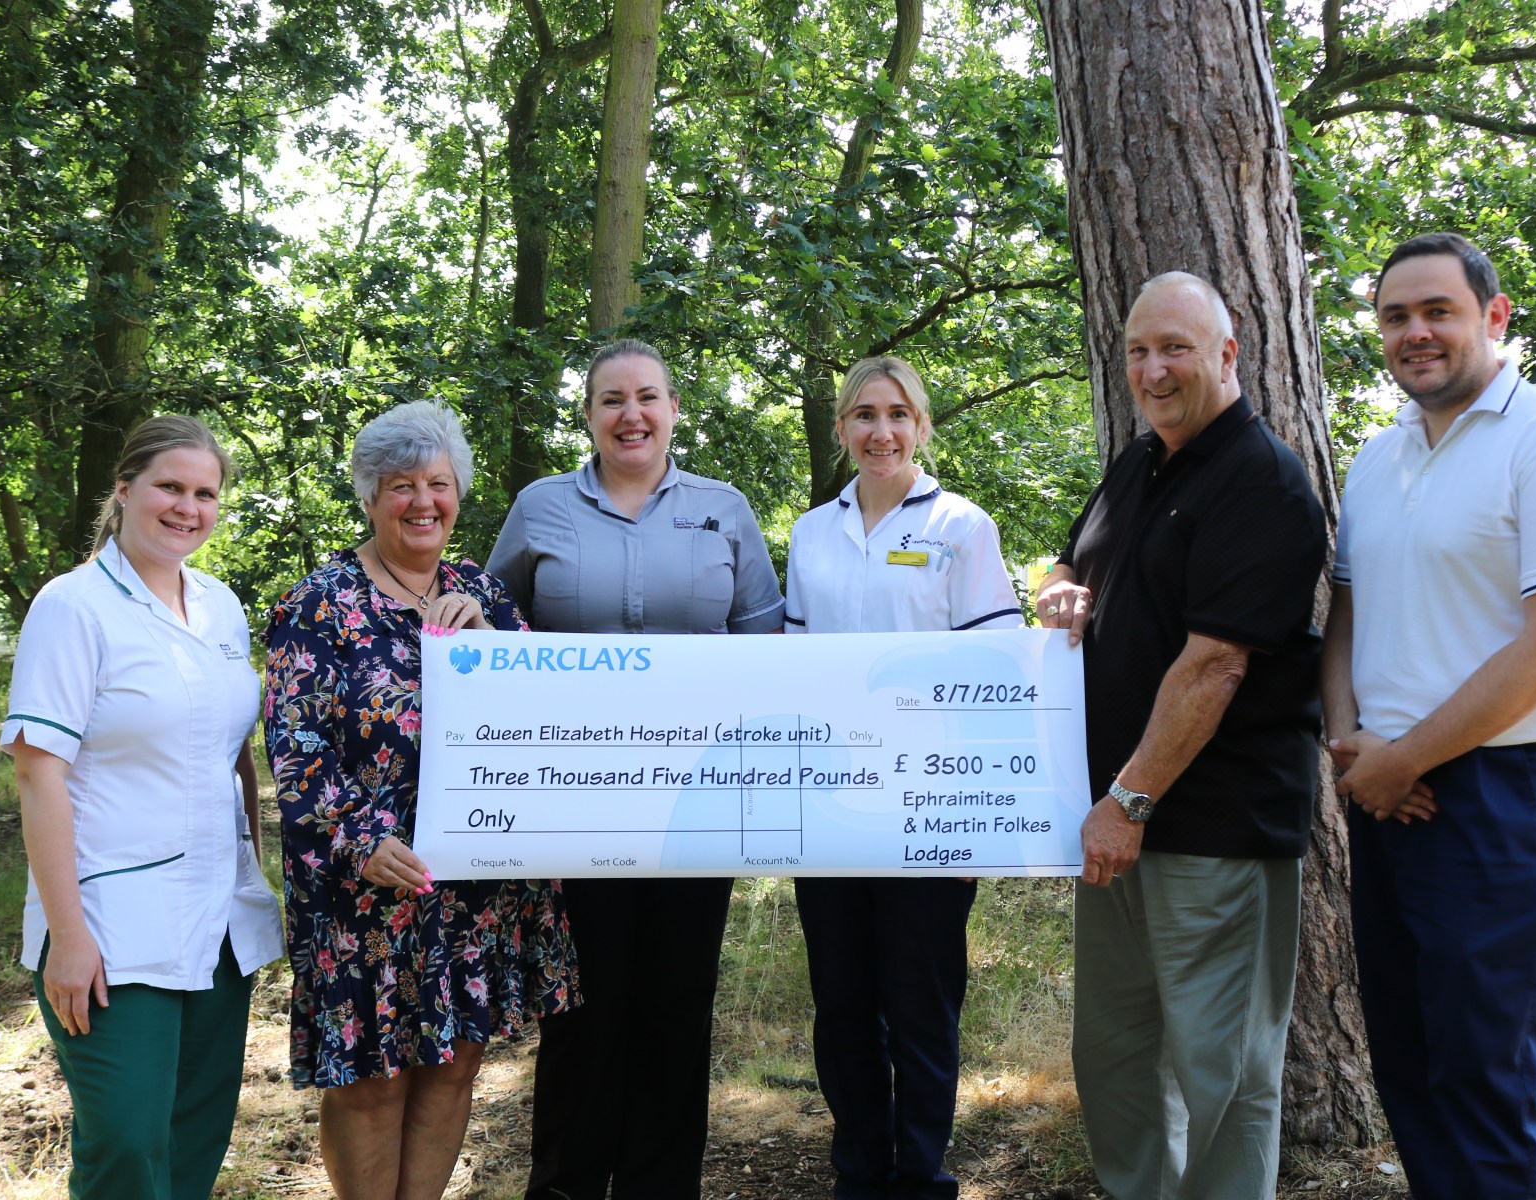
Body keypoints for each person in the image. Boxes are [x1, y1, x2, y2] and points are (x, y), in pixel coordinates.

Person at [1323, 233, 1536, 1198]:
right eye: (1395, 316)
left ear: (1494, 317)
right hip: (1383, 785)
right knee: (1409, 1067)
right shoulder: (1377, 459)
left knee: (1488, 1077)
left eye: (1437, 311)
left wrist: (1404, 757)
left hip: (1509, 798)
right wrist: (1353, 750)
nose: (1415, 333)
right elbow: (1344, 622)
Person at [1036, 273, 1327, 1199]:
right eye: (1137, 351)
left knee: (1224, 1074)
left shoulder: (1263, 482)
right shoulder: (1141, 461)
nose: (1154, 370)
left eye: (1177, 349)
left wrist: (1127, 799)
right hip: (1115, 830)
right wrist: (1056, 589)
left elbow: (1217, 667)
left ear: (1229, 354)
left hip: (1209, 831)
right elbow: (1072, 557)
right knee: (1115, 1057)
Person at [490, 338, 785, 1200]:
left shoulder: (723, 509)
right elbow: (493, 626)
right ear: (587, 415)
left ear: (673, 410)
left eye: (648, 397)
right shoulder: (541, 507)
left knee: (676, 1005)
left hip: (696, 806)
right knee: (581, 1008)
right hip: (571, 805)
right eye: (612, 399)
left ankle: (661, 1187)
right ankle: (568, 1186)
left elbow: (766, 642)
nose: (632, 414)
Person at [264, 400, 579, 1200]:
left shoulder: (485, 596)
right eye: (400, 485)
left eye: (437, 484)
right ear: (370, 498)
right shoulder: (319, 604)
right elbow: (297, 748)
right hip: (367, 888)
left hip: (472, 889)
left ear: (458, 494)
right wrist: (360, 840)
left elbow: (544, 723)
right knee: (371, 1081)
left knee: (450, 1065)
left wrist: (495, 645)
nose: (421, 502)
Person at [5, 415, 284, 1200]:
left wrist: (249, 875)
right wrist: (67, 936)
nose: (187, 507)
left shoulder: (221, 606)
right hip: (110, 924)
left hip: (219, 918)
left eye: (205, 492)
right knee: (126, 1145)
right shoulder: (73, 607)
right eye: (170, 486)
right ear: (124, 491)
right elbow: (38, 775)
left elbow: (236, 755)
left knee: (194, 1136)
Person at [783, 356, 1022, 1199]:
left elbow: (999, 671)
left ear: (921, 425)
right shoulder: (813, 532)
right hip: (832, 812)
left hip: (931, 807)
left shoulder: (962, 526)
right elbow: (795, 672)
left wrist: (981, 819)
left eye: (897, 414)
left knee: (921, 1011)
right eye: (863, 415)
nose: (880, 430)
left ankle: (921, 1178)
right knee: (843, 1006)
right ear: (844, 428)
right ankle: (860, 1174)